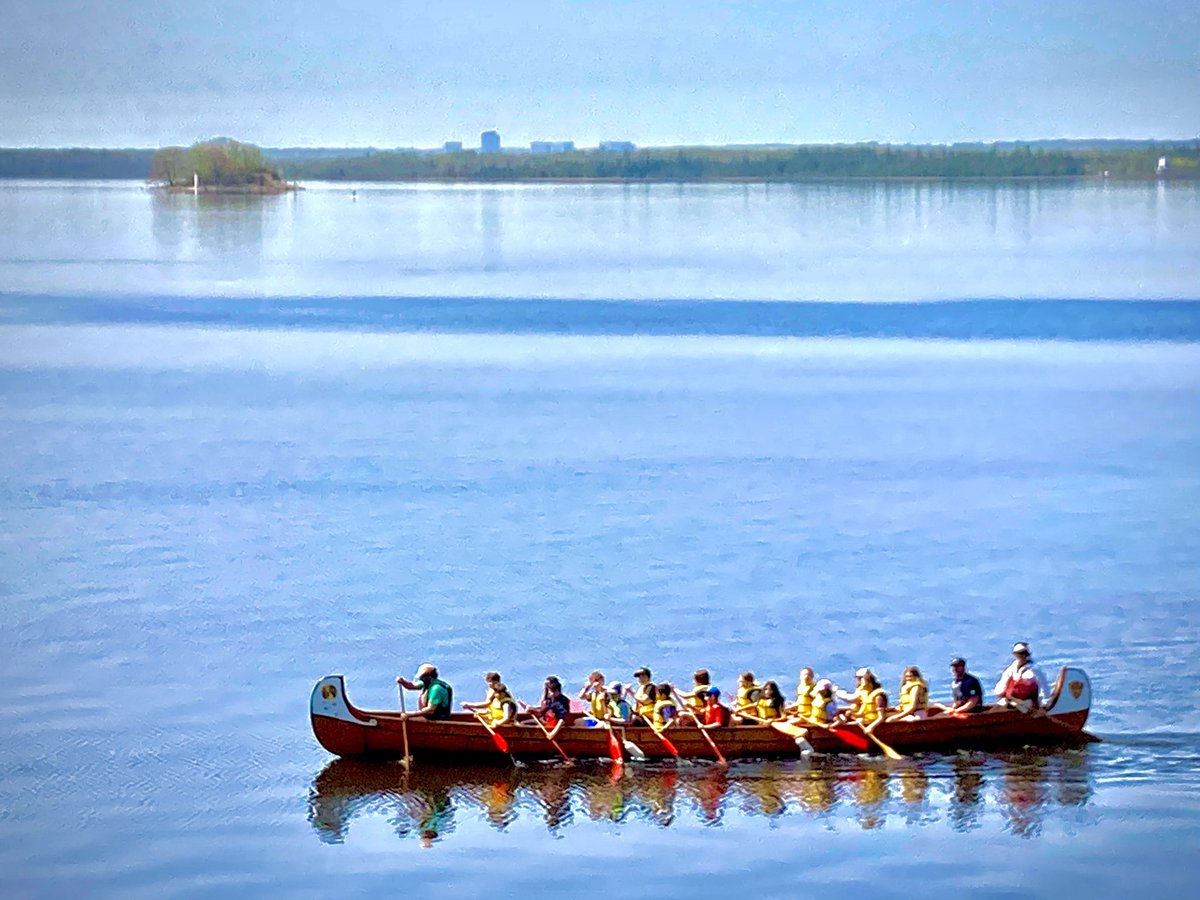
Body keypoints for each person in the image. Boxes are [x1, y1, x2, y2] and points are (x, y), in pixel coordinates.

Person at [994, 642, 1051, 712]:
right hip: (1009, 701)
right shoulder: (1011, 668)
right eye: (1019, 654)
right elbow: (1002, 683)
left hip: (1026, 705)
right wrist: (1000, 692)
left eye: (1024, 653)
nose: (1022, 656)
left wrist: (1043, 706)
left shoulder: (1035, 670)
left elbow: (1044, 688)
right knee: (996, 710)